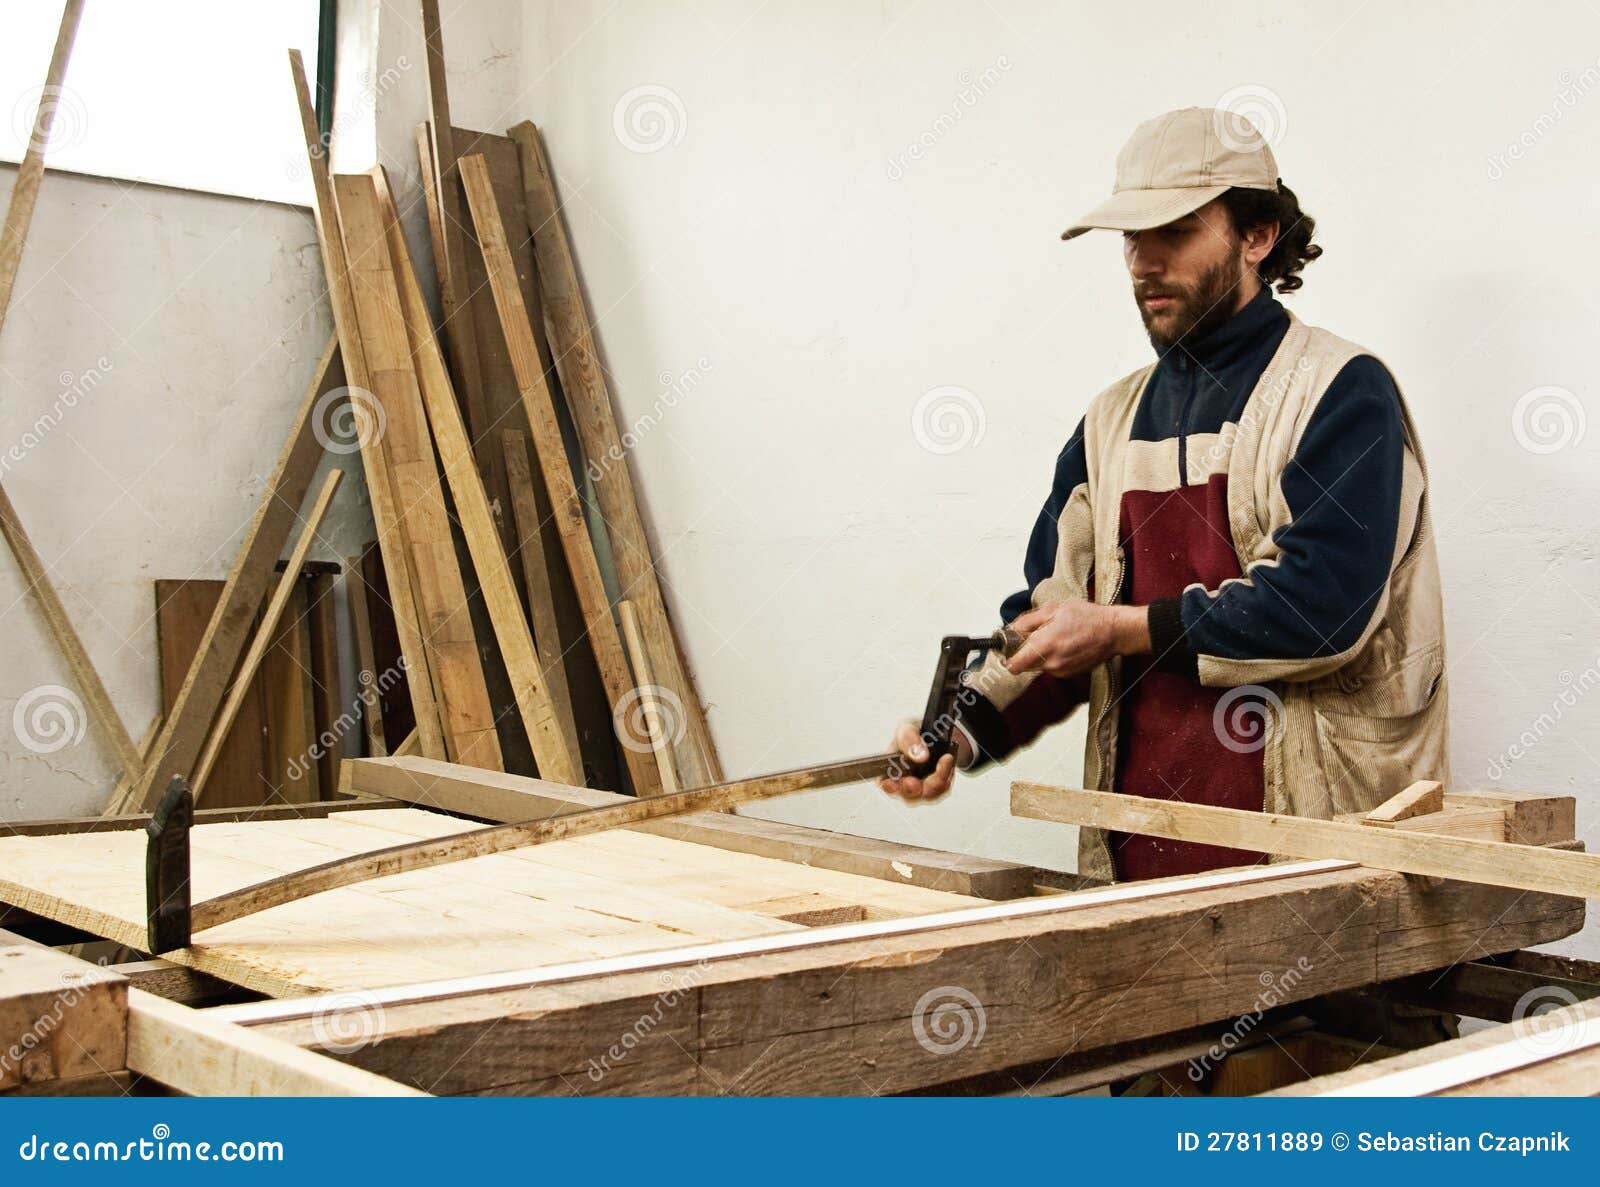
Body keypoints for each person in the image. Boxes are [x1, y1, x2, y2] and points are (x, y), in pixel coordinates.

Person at [882, 106, 1449, 888]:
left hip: (1321, 876)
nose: (1143, 262)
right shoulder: (1108, 423)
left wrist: (1116, 628)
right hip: (1139, 874)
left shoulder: (1341, 393)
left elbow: (1323, 610)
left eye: (1174, 232)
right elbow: (1055, 619)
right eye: (1130, 238)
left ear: (1258, 237)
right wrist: (959, 728)